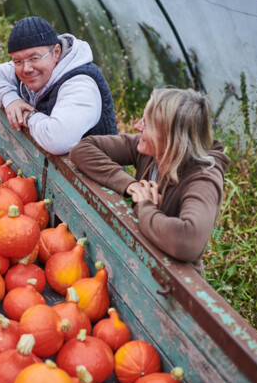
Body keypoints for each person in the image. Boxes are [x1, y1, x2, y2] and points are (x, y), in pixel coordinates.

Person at [69, 88, 230, 272]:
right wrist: (130, 185)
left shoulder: (203, 180)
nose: (137, 126)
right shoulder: (152, 150)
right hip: (137, 262)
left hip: (170, 283)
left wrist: (144, 205)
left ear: (170, 137)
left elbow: (188, 240)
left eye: (146, 123)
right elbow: (82, 150)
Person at [0, 16, 117, 155]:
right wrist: (11, 100)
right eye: (18, 61)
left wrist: (29, 116)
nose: (26, 69)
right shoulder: (31, 68)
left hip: (95, 174)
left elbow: (58, 140)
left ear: (56, 52)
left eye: (34, 58)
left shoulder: (79, 84)